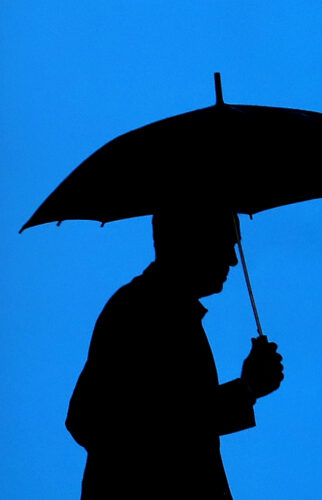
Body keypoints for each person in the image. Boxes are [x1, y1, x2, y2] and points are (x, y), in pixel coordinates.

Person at [65, 208, 284, 499]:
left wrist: (247, 390)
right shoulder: (140, 312)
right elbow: (92, 420)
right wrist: (247, 389)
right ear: (190, 243)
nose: (233, 259)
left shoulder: (158, 310)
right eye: (225, 243)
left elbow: (172, 414)